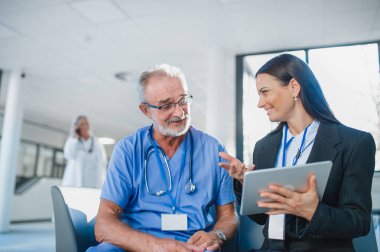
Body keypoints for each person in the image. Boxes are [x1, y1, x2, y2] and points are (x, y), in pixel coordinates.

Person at [219, 54, 376, 251]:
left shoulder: (354, 143)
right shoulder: (264, 147)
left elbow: (359, 222)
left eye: (265, 92)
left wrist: (313, 211)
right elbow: (261, 218)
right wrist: (245, 182)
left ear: (294, 86)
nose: (260, 103)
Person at [88, 64, 237, 252]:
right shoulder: (128, 150)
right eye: (166, 105)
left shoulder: (213, 149)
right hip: (138, 245)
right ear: (146, 110)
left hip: (193, 247)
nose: (179, 112)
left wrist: (217, 235)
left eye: (183, 100)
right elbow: (103, 224)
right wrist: (158, 246)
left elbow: (229, 216)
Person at [62, 115, 107, 188]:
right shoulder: (72, 141)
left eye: (86, 124)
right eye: (82, 124)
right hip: (75, 181)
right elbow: (68, 155)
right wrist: (75, 138)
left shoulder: (96, 142)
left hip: (93, 181)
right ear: (76, 126)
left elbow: (103, 161)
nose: (85, 126)